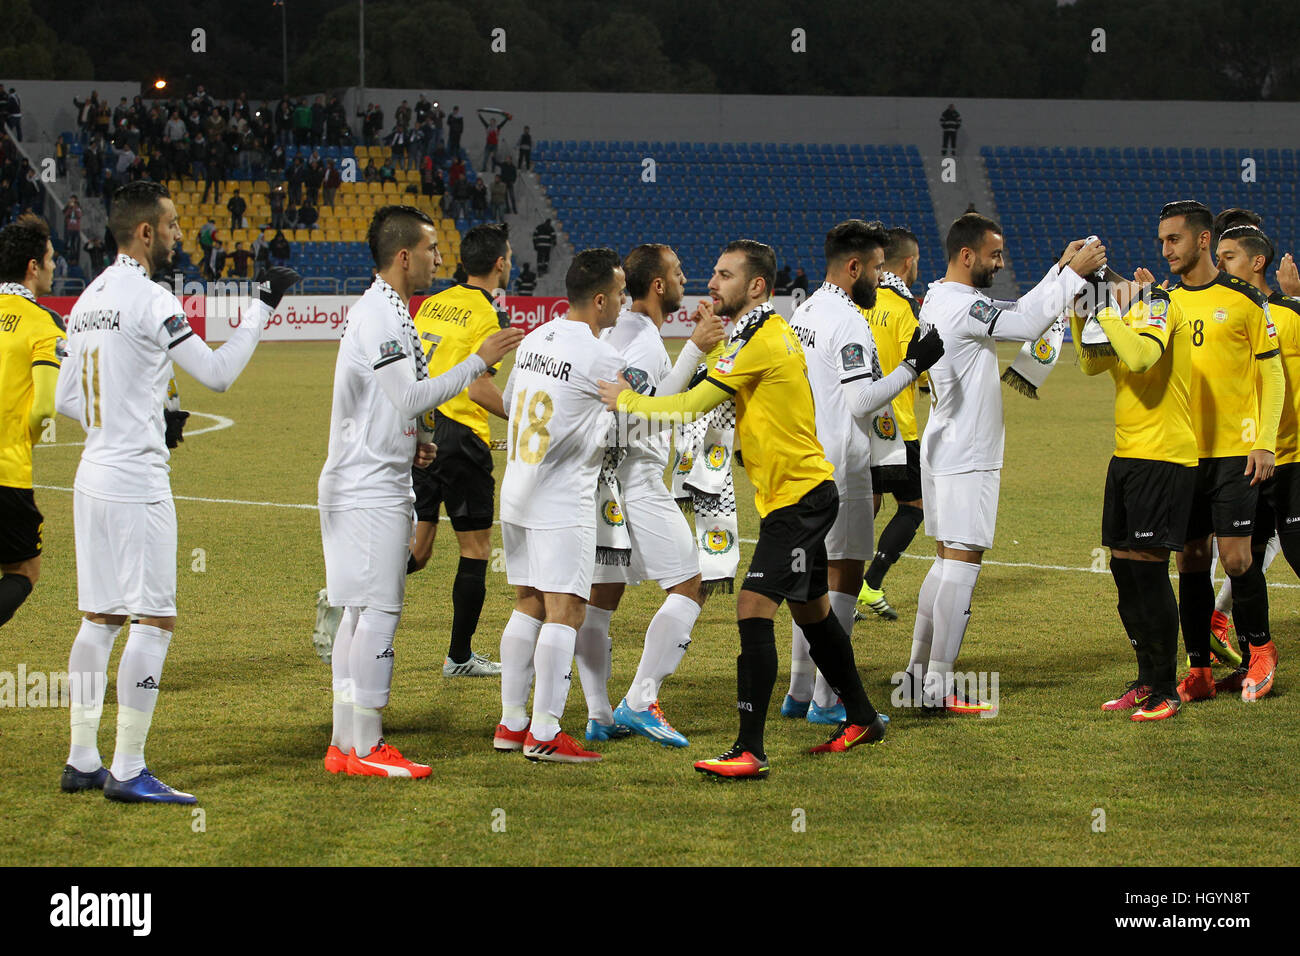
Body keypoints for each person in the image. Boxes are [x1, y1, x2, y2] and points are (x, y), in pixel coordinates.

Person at [600, 240, 892, 778]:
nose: (711, 283)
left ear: (756, 286)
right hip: (797, 495)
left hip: (800, 502)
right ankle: (864, 716)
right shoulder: (755, 334)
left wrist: (625, 399)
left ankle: (749, 749)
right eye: (711, 272)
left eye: (724, 274)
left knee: (752, 606)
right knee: (814, 613)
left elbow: (689, 404)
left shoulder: (761, 338)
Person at [54, 180, 299, 803]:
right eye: (170, 226)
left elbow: (65, 399)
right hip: (136, 480)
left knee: (101, 618)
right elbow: (216, 374)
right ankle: (129, 769)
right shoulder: (148, 296)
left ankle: (83, 757)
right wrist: (263, 305)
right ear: (145, 233)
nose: (178, 235)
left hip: (91, 475)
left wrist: (143, 406)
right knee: (154, 620)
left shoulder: (86, 299)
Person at [317, 205, 523, 778]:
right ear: (405, 255)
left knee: (358, 614)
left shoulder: (395, 310)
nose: (440, 258)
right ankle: (369, 745)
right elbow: (409, 397)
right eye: (432, 249)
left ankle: (344, 743)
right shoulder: (382, 315)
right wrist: (478, 361)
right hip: (368, 488)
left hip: (372, 473)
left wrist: (410, 445)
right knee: (378, 613)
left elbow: (388, 402)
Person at [904, 214, 1105, 713]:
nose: (1000, 262)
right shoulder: (962, 305)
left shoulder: (939, 296)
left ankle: (916, 676)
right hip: (967, 453)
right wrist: (1075, 275)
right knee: (963, 560)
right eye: (994, 254)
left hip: (944, 444)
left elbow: (1012, 309)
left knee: (947, 558)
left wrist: (1059, 270)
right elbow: (1022, 323)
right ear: (967, 255)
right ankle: (937, 688)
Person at [783, 222, 944, 724]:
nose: (881, 276)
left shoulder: (805, 309)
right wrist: (912, 366)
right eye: (876, 268)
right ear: (853, 268)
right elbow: (861, 399)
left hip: (805, 457)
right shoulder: (850, 321)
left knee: (809, 576)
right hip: (842, 465)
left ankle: (798, 690)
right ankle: (830, 701)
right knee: (844, 574)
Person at [571, 244, 726, 746]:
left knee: (601, 601)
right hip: (633, 479)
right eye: (679, 273)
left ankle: (598, 715)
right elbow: (634, 416)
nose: (687, 279)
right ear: (659, 285)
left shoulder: (626, 332)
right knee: (690, 583)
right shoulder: (644, 343)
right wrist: (695, 350)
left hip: (607, 482)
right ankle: (640, 699)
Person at [493, 248, 627, 763]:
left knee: (528, 601)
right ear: (598, 300)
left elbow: (511, 404)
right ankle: (546, 733)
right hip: (560, 497)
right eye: (617, 295)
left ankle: (511, 724)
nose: (621, 303)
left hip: (518, 489)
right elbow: (642, 416)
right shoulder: (600, 357)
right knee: (567, 610)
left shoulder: (534, 339)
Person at [1159, 201, 1282, 704]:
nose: (1166, 249)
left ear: (1203, 240)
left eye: (1175, 240)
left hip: (1236, 451)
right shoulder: (1162, 301)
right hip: (1185, 454)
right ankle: (1199, 670)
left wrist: (1264, 442)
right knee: (1190, 560)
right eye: (1162, 240)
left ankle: (1260, 652)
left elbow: (1272, 374)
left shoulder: (1246, 300)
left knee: (1235, 558)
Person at [1073, 270, 1195, 721]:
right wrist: (1079, 312)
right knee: (1124, 574)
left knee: (1147, 574)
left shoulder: (1158, 305)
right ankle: (1146, 680)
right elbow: (1090, 363)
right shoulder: (1123, 315)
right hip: (1126, 457)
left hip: (1163, 458)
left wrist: (1108, 309)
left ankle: (1167, 689)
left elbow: (1143, 358)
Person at [404, 223, 513, 675]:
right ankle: (460, 657)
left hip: (421, 428)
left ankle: (347, 594)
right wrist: (526, 417)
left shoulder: (432, 302)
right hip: (461, 437)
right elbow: (477, 390)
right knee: (476, 548)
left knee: (420, 547)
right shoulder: (487, 315)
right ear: (501, 263)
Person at [1209, 221, 1300, 689]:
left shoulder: (1288, 314)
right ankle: (1254, 659)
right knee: (1242, 562)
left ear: (1256, 262)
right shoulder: (1228, 310)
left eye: (1227, 257)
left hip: (1292, 459)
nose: (1219, 264)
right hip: (1247, 460)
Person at [859, 227, 926, 619]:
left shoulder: (859, 299)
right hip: (897, 426)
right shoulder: (904, 308)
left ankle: (842, 588)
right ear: (910, 262)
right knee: (914, 506)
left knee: (864, 505)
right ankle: (870, 584)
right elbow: (917, 366)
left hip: (857, 421)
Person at [0, 214, 61, 629]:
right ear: (32, 266)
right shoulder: (42, 323)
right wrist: (26, 439)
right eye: (51, 258)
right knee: (23, 571)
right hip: (8, 472)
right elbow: (43, 409)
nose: (56, 267)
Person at [63, 195, 83, 263]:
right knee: (69, 244)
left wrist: (75, 208)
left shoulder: (78, 208)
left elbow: (79, 215)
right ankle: (69, 258)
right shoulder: (69, 208)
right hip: (69, 228)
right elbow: (65, 214)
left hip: (76, 229)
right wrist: (69, 208)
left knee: (75, 245)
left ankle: (74, 259)